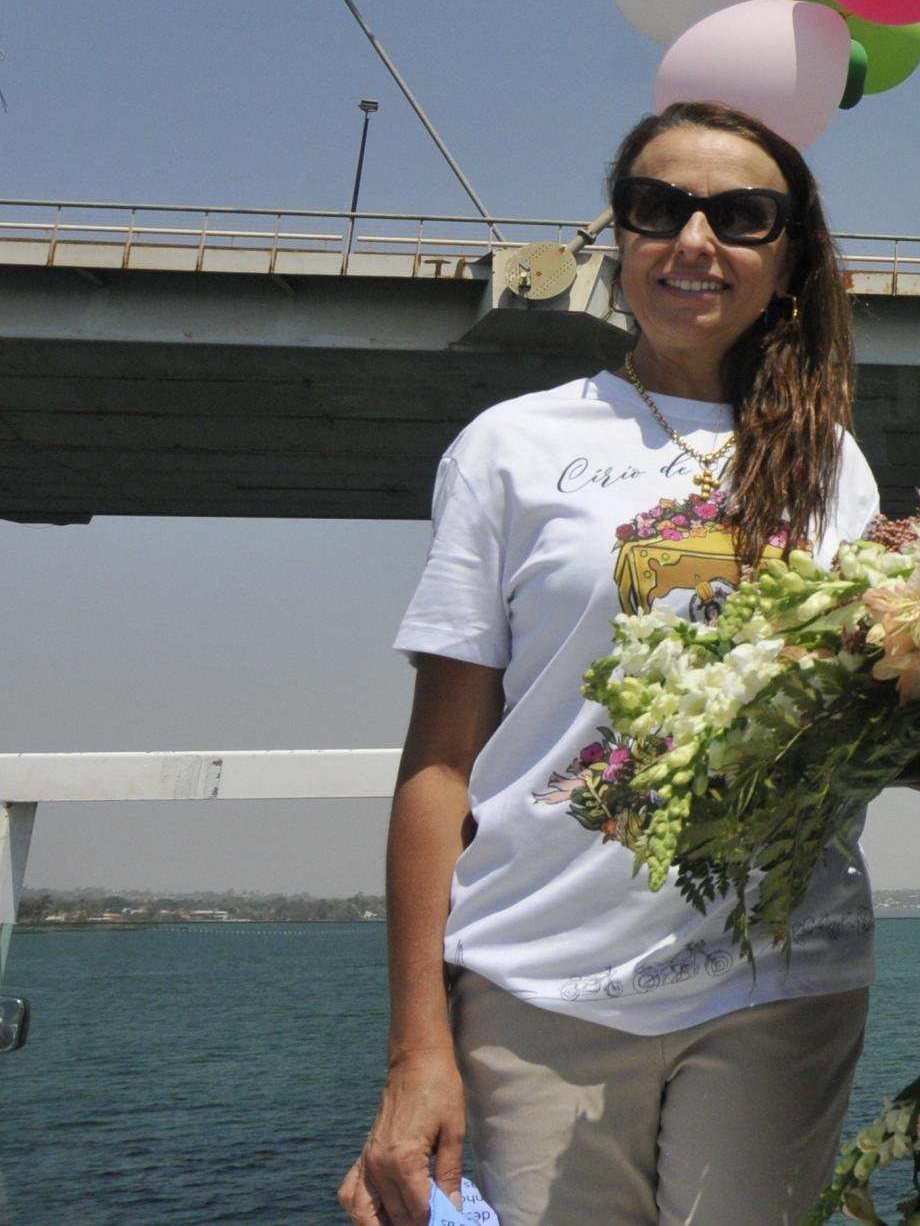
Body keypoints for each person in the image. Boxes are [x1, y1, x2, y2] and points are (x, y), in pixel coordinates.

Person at [341, 100, 882, 1226]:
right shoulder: (511, 447)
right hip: (541, 981)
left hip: (781, 976)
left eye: (742, 214)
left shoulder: (833, 466)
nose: (695, 239)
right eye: (657, 206)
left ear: (789, 257)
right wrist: (415, 1049)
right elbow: (440, 761)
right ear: (620, 236)